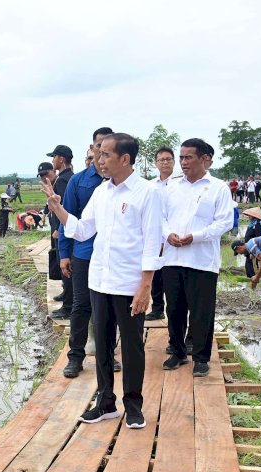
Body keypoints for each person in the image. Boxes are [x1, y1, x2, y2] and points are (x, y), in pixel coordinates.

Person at [44, 133, 162, 429]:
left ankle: (133, 405)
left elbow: (152, 243)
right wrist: (58, 208)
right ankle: (106, 402)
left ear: (125, 159)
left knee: (133, 348)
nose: (100, 159)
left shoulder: (147, 193)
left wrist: (145, 287)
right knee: (104, 344)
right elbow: (83, 230)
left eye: (106, 154)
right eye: (98, 153)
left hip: (129, 284)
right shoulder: (102, 192)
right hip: (99, 281)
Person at [161, 138, 233, 377]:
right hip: (172, 259)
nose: (182, 162)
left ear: (204, 159)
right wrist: (167, 233)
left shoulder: (218, 187)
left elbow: (224, 222)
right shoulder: (171, 186)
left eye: (188, 157)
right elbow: (160, 217)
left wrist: (196, 236)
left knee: (202, 311)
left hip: (201, 260)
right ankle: (178, 352)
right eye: (181, 157)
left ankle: (201, 358)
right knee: (175, 310)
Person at [57, 127, 115, 377]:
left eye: (108, 149)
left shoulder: (119, 184)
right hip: (84, 253)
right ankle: (75, 357)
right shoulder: (78, 182)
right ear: (92, 149)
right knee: (81, 306)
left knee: (110, 307)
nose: (102, 154)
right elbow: (66, 219)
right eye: (98, 147)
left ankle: (107, 355)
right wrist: (64, 254)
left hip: (113, 255)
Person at [147, 147, 176, 321]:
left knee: (171, 277)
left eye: (168, 159)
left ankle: (174, 312)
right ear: (156, 163)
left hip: (174, 237)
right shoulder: (150, 186)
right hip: (156, 237)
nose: (165, 162)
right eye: (161, 160)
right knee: (155, 274)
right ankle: (157, 308)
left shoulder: (180, 183)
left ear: (174, 161)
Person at [47, 145, 75, 320]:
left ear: (62, 159)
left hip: (63, 231)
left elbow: (65, 207)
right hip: (63, 230)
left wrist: (59, 229)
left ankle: (68, 307)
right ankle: (67, 300)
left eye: (54, 157)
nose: (53, 161)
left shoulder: (65, 180)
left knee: (67, 270)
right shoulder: (66, 178)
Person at [242, 207, 261, 277]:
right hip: (248, 247)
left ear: (254, 216)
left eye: (250, 215)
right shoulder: (251, 225)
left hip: (253, 248)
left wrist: (255, 252)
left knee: (252, 264)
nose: (249, 216)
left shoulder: (258, 226)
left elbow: (259, 238)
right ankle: (250, 279)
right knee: (248, 264)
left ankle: (254, 278)